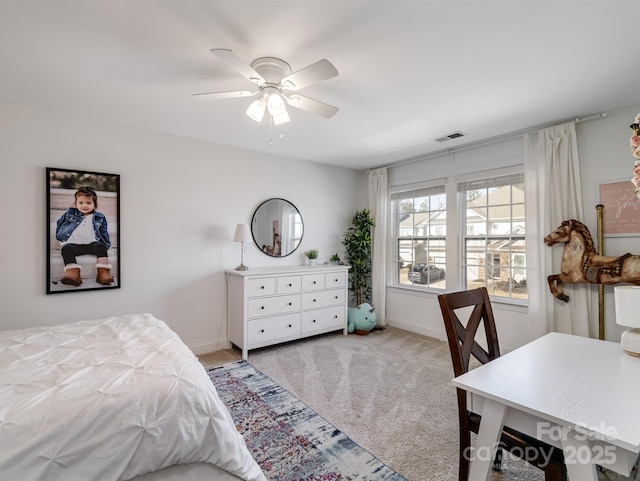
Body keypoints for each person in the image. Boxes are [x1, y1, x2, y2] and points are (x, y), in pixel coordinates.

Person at [55, 186, 114, 286]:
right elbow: (60, 223)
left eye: (88, 203)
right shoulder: (70, 213)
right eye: (81, 203)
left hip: (92, 244)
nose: (84, 206)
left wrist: (106, 244)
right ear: (76, 203)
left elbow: (103, 231)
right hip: (74, 245)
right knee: (66, 249)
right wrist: (61, 236)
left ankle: (103, 273)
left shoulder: (99, 216)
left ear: (94, 204)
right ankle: (73, 274)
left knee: (101, 246)